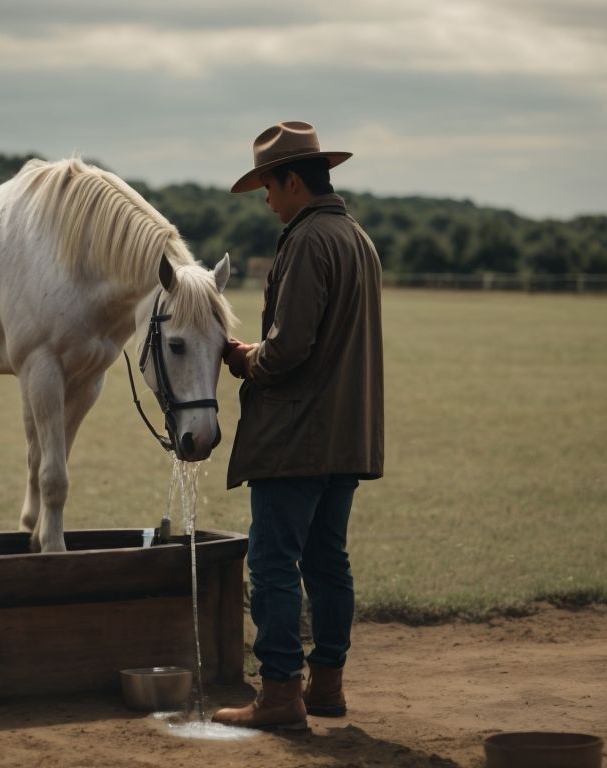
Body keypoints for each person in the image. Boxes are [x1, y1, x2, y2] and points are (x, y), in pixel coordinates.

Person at [212, 121, 384, 731]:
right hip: (345, 432)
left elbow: (288, 351)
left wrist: (243, 359)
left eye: (268, 186)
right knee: (327, 561)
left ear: (291, 181)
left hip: (297, 436)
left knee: (273, 564)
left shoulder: (308, 240)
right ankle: (326, 686)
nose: (266, 200)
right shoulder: (356, 236)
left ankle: (281, 694)